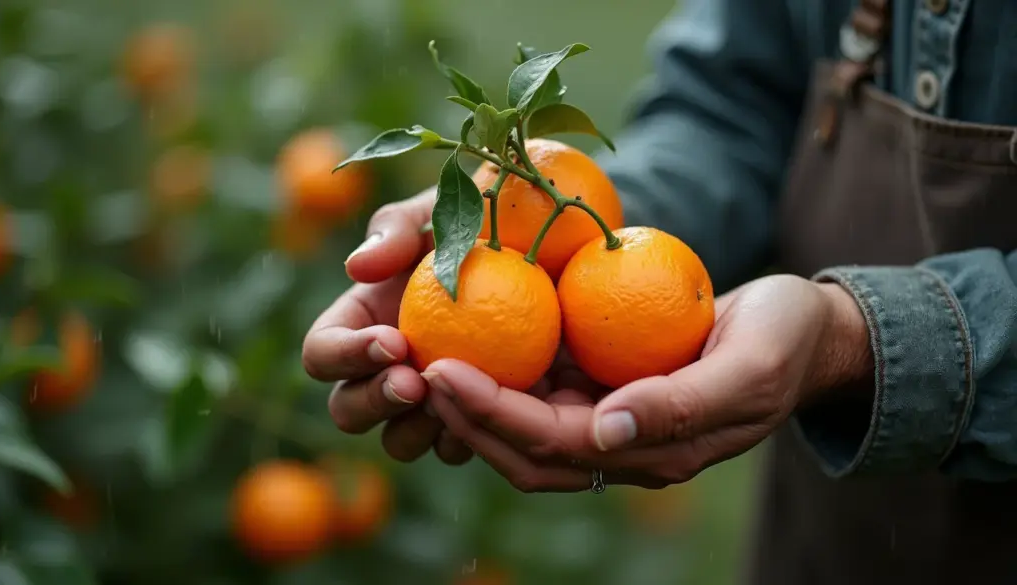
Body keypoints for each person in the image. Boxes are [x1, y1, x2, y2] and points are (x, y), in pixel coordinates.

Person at [302, 0, 1017, 582]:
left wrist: (863, 341)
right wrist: (583, 227)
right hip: (827, 535)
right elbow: (730, 104)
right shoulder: (505, 256)